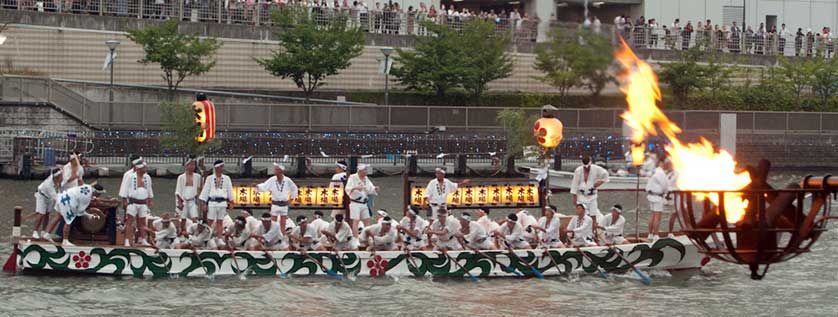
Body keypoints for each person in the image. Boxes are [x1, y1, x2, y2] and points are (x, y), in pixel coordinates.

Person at [255, 163, 299, 233]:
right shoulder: (272, 179)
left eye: (276, 169)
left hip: (284, 203)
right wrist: (258, 187)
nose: (275, 171)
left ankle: (282, 234)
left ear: (281, 171)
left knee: (283, 221)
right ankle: (273, 234)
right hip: (275, 203)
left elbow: (294, 188)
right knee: (273, 221)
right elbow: (265, 185)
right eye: (275, 169)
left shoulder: (287, 180)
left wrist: (291, 199)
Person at [570, 156, 609, 232]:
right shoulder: (578, 170)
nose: (587, 168)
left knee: (593, 215)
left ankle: (593, 233)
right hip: (581, 196)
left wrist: (601, 181)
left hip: (592, 196)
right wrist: (574, 196)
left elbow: (605, 174)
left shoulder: (596, 168)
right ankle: (582, 230)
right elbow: (574, 183)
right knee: (582, 214)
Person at [120, 159, 154, 247]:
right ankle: (127, 240)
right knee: (129, 221)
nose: (145, 169)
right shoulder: (130, 177)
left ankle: (143, 239)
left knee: (142, 222)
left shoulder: (147, 177)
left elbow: (149, 189)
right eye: (143, 167)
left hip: (143, 202)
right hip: (133, 202)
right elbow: (125, 188)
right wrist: (124, 200)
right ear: (139, 168)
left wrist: (150, 199)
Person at [199, 160, 234, 238]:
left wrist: (231, 202)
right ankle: (206, 237)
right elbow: (206, 190)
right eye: (221, 167)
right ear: (217, 168)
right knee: (210, 221)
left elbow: (230, 190)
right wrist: (204, 203)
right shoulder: (210, 178)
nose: (222, 168)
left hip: (222, 202)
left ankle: (219, 238)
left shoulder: (227, 178)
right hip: (212, 201)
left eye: (222, 167)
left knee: (220, 221)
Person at [345, 164, 378, 237]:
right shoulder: (352, 177)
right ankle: (356, 238)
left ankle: (367, 237)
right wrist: (356, 188)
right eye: (365, 170)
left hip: (364, 202)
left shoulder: (366, 178)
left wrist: (374, 189)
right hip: (355, 203)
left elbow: (370, 189)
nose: (366, 171)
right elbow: (348, 188)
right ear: (360, 171)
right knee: (355, 221)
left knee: (366, 221)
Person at [32, 168, 63, 239]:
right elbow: (56, 197)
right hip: (41, 195)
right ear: (57, 177)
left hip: (49, 197)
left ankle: (43, 231)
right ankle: (35, 231)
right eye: (61, 175)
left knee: (47, 213)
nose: (62, 176)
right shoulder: (49, 185)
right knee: (41, 213)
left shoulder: (58, 179)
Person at [646, 158, 672, 241]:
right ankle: (655, 234)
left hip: (651, 194)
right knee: (657, 216)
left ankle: (650, 234)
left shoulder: (654, 171)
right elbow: (665, 185)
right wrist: (667, 193)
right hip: (657, 196)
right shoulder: (661, 173)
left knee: (652, 215)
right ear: (662, 163)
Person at [175, 156, 202, 234]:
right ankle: (182, 232)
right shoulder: (181, 177)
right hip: (183, 200)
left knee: (195, 217)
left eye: (193, 165)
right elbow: (178, 190)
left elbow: (200, 187)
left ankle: (195, 232)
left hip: (192, 200)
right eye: (190, 165)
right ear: (186, 166)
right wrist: (179, 202)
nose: (192, 167)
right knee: (183, 218)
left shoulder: (197, 176)